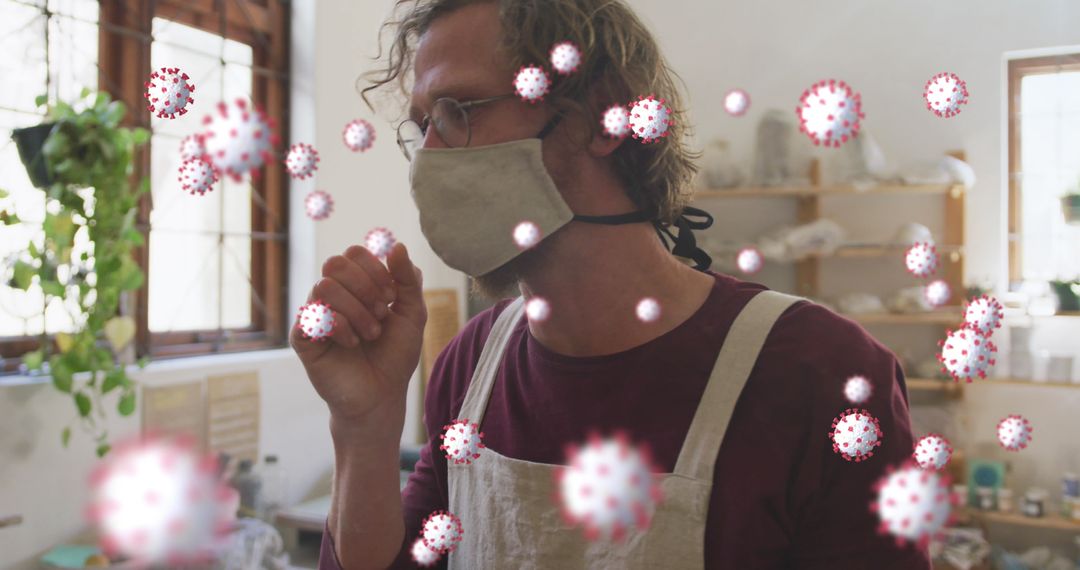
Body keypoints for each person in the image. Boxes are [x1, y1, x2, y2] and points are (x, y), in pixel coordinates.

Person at [291, 0, 932, 568]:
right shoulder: (471, 363)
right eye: (421, 124)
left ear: (604, 118)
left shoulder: (820, 375)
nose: (430, 154)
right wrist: (363, 429)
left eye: (458, 110)